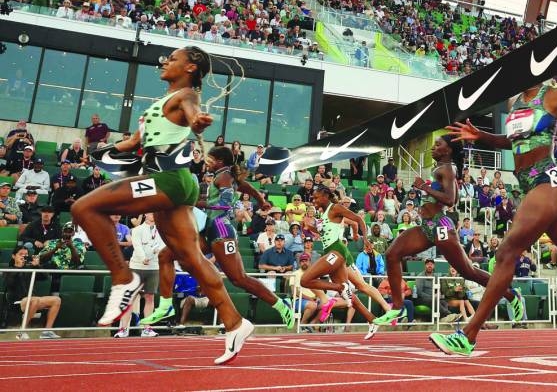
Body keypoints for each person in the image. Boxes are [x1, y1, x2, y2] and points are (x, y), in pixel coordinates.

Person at [70, 47, 254, 364]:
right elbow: (132, 143)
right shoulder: (161, 103)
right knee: (192, 259)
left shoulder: (187, 95)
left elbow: (195, 114)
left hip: (167, 181)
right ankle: (235, 323)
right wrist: (102, 152)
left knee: (83, 208)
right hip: (175, 184)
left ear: (191, 67)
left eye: (173, 57)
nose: (166, 61)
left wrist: (198, 122)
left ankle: (123, 279)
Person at [431, 79, 557, 355]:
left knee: (507, 252)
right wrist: (482, 137)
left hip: (547, 180)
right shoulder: (515, 102)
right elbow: (512, 141)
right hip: (530, 184)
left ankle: (468, 334)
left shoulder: (555, 95)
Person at [375, 136, 525, 327]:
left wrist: (424, 188)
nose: (433, 147)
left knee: (469, 271)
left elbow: (449, 199)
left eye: (438, 145)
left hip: (441, 226)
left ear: (448, 151)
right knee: (392, 254)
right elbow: (452, 199)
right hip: (427, 226)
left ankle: (512, 296)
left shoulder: (446, 168)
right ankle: (397, 307)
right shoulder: (445, 168)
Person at [141, 146, 295, 329]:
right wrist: (261, 200)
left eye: (210, 159)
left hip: (222, 230)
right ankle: (166, 306)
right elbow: (246, 186)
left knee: (239, 279)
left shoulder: (224, 177)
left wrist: (192, 202)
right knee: (166, 255)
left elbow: (223, 206)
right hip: (209, 228)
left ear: (220, 161)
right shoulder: (226, 175)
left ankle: (281, 305)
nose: (206, 162)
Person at [297, 186, 379, 340]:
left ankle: (340, 287)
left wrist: (365, 238)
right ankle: (372, 320)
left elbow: (359, 219)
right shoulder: (323, 213)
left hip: (337, 252)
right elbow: (324, 233)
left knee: (305, 280)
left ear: (326, 196)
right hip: (330, 252)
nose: (313, 200)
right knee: (347, 294)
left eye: (316, 197)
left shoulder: (335, 208)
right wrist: (310, 227)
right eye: (313, 198)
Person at [9, 246, 62, 339]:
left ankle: (47, 331)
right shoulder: (9, 269)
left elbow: (45, 277)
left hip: (32, 299)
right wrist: (19, 267)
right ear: (14, 256)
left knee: (56, 300)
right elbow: (9, 284)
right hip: (17, 302)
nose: (23, 257)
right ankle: (22, 331)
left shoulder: (30, 268)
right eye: (21, 254)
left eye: (25, 255)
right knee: (34, 300)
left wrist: (36, 265)